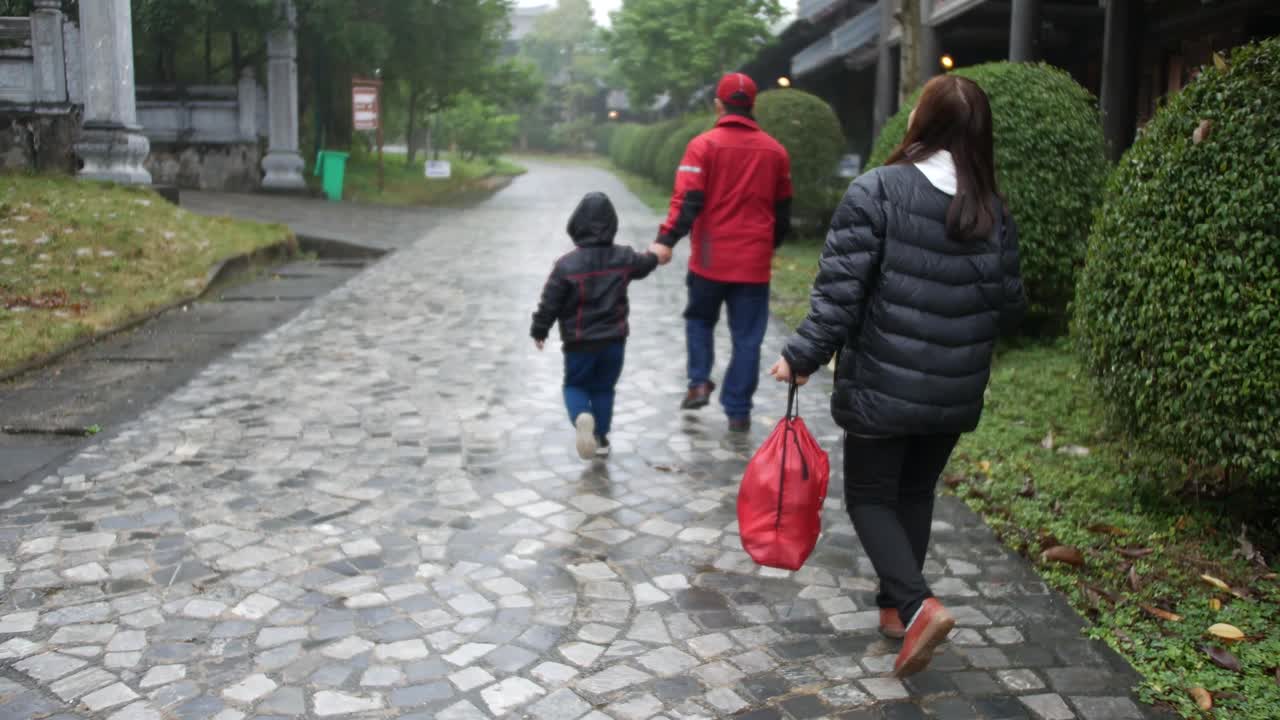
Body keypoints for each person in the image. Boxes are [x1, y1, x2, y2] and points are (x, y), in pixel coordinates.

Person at [768, 75, 1026, 678]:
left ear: (923, 123)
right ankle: (893, 608)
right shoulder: (992, 208)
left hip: (885, 384)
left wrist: (802, 356)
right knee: (914, 493)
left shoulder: (878, 190)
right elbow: (1010, 304)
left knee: (870, 497)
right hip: (955, 388)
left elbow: (839, 294)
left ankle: (916, 604)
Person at [650, 72, 793, 433]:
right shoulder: (776, 152)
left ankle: (698, 381)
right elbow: (784, 211)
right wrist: (766, 246)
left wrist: (667, 240)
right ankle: (739, 411)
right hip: (754, 263)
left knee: (699, 320)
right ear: (753, 105)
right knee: (748, 338)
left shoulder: (703, 146)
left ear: (718, 104)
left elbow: (688, 200)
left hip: (710, 258)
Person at [531, 192, 660, 459]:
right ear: (612, 224)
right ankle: (601, 438)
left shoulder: (566, 265)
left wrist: (540, 329)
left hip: (579, 343)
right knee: (603, 388)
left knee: (575, 386)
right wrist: (657, 253)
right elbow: (645, 263)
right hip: (614, 341)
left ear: (576, 224)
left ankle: (582, 416)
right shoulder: (624, 256)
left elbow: (550, 301)